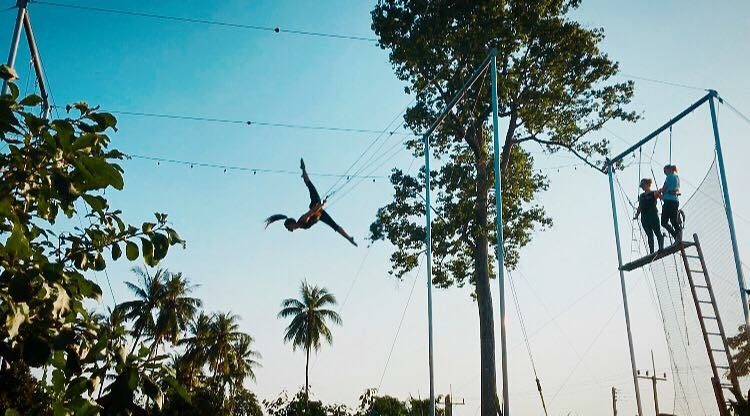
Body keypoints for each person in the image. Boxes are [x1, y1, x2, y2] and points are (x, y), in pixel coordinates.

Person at [265, 158, 358, 247]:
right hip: (319, 213)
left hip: (315, 205)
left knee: (309, 184)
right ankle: (349, 238)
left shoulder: (302, 221)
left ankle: (303, 171)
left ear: (291, 224)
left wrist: (321, 204)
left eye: (289, 228)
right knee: (334, 226)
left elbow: (311, 212)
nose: (290, 230)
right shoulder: (301, 225)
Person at [633, 178, 664, 254]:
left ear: (647, 184)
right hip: (644, 217)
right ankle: (652, 252)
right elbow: (640, 206)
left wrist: (667, 199)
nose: (642, 187)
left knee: (657, 232)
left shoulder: (653, 193)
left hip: (652, 215)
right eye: (642, 186)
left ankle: (661, 247)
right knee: (649, 235)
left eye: (643, 185)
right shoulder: (641, 196)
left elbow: (661, 197)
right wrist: (637, 215)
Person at [659, 164, 682, 242]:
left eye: (665, 171)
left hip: (669, 202)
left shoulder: (669, 177)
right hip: (675, 201)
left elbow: (664, 189)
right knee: (673, 220)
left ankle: (675, 236)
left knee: (664, 222)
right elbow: (675, 190)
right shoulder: (677, 177)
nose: (664, 173)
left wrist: (660, 192)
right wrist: (663, 195)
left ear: (669, 170)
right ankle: (679, 235)